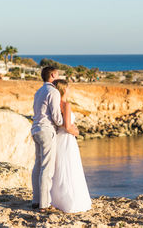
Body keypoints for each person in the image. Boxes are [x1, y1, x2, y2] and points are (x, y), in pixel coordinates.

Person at [50, 79, 92, 213]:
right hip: (67, 139)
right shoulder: (66, 104)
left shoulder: (54, 105)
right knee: (70, 166)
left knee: (60, 168)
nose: (69, 90)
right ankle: (69, 201)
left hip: (58, 138)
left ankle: (56, 199)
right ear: (64, 89)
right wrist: (77, 132)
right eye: (68, 88)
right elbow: (68, 127)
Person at [31, 66, 63, 211]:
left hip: (35, 129)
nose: (59, 76)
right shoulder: (53, 91)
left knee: (38, 165)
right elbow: (56, 116)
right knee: (46, 168)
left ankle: (36, 200)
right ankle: (44, 204)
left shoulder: (38, 92)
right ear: (52, 75)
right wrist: (64, 124)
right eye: (58, 74)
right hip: (46, 130)